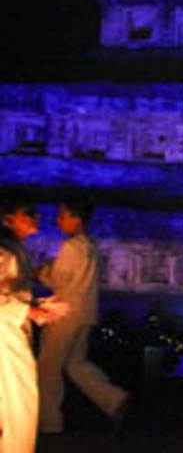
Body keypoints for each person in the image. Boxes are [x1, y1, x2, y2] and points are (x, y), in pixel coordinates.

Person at [36, 193, 129, 435]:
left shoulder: (70, 246)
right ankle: (115, 400)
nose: (58, 221)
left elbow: (59, 280)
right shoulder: (91, 245)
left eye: (63, 216)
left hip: (64, 314)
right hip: (85, 313)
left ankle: (49, 423)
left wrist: (42, 271)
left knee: (48, 369)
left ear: (77, 219)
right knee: (75, 363)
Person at [1, 191, 67, 453]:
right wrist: (26, 311)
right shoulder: (5, 252)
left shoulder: (11, 252)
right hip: (5, 343)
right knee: (19, 414)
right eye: (27, 212)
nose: (35, 218)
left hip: (11, 334)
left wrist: (33, 308)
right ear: (7, 218)